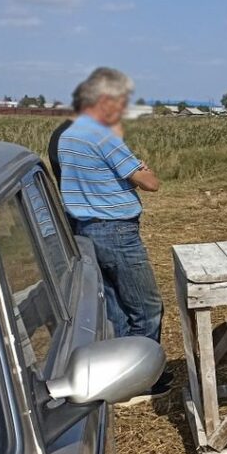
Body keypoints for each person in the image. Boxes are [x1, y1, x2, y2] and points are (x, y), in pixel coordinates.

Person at [57, 67, 171, 402]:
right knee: (147, 307)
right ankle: (145, 377)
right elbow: (151, 183)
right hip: (117, 230)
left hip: (87, 230)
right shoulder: (103, 136)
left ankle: (121, 380)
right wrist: (142, 169)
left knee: (117, 308)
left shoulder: (68, 137)